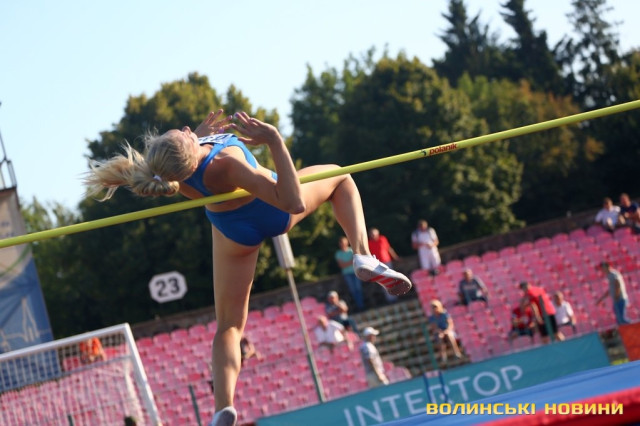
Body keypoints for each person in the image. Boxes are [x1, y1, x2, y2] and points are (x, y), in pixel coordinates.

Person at [84, 110, 412, 426]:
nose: (186, 128)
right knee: (340, 177)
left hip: (233, 233)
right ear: (188, 148)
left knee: (229, 327)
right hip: (273, 210)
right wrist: (275, 141)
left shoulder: (171, 173)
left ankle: (223, 408)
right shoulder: (226, 165)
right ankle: (362, 254)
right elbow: (293, 202)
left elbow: (184, 158)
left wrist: (197, 137)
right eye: (183, 133)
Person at [368, 227, 402, 302]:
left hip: (387, 261)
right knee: (384, 280)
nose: (373, 236)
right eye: (371, 234)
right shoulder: (369, 243)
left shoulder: (382, 239)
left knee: (392, 278)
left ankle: (396, 296)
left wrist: (395, 257)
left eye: (374, 234)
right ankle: (390, 298)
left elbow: (389, 248)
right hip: (377, 264)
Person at [335, 236, 366, 311]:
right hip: (347, 274)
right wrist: (350, 262)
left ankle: (362, 305)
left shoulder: (352, 250)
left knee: (358, 289)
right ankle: (359, 306)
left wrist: (346, 263)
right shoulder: (338, 253)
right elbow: (341, 265)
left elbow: (355, 261)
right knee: (353, 290)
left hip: (355, 272)